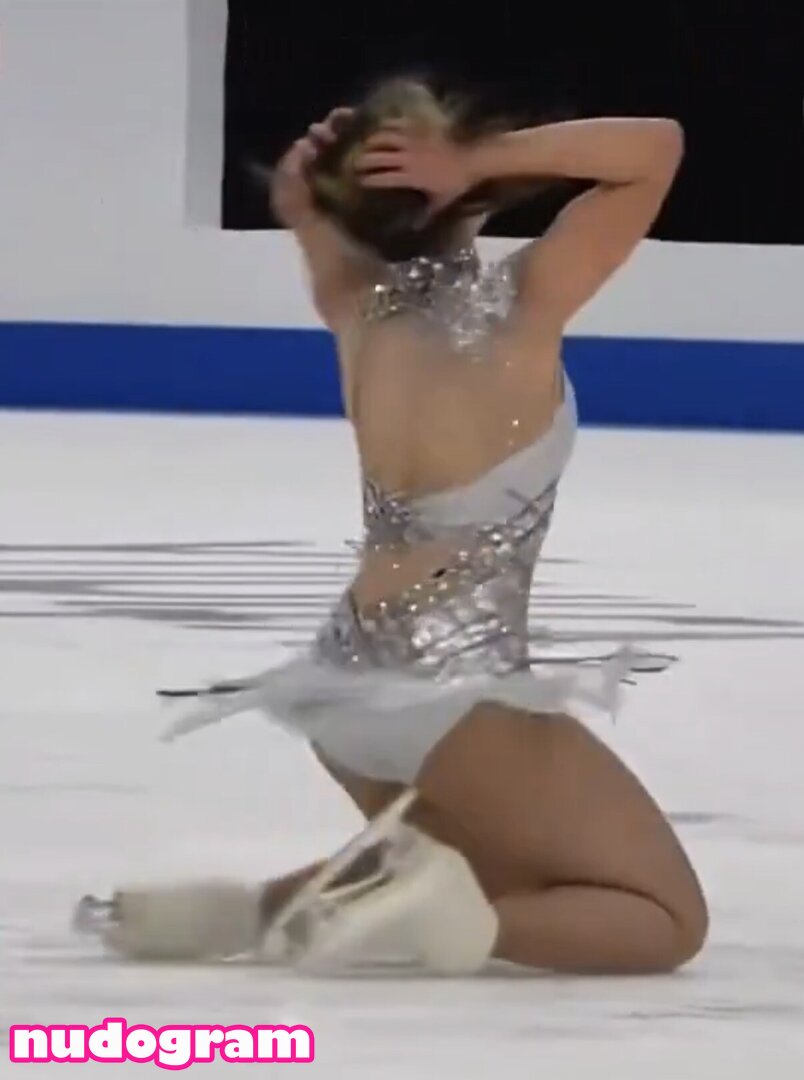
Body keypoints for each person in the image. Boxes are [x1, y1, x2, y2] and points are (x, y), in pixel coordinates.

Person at [77, 79, 708, 976]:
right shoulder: (520, 310)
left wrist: (313, 197)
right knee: (662, 917)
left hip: (342, 688)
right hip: (454, 698)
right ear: (448, 187)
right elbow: (656, 145)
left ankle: (232, 915)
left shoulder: (356, 306)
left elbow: (315, 216)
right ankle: (422, 927)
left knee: (490, 867)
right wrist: (479, 160)